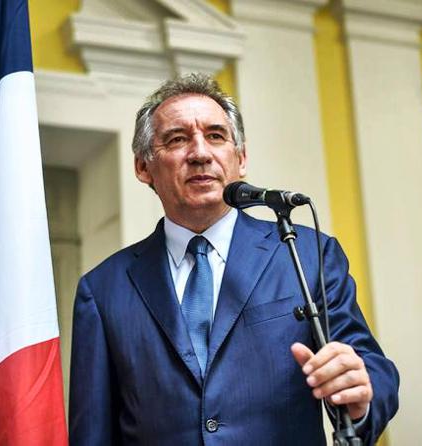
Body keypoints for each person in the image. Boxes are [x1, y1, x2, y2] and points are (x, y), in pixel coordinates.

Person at [69, 73, 399, 445]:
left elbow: (371, 369)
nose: (200, 153)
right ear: (144, 168)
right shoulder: (103, 289)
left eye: (215, 136)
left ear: (240, 158)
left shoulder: (305, 253)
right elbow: (91, 433)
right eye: (177, 139)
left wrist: (360, 395)